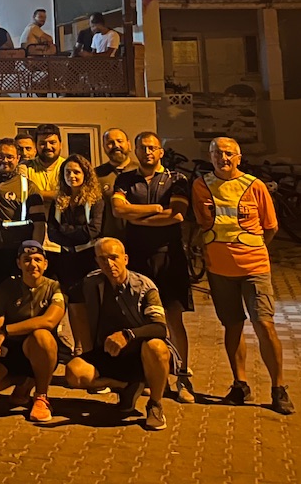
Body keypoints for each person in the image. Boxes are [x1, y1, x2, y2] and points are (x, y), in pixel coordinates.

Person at [191, 136, 294, 414]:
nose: (222, 158)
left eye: (228, 153)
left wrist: (251, 249)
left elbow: (270, 228)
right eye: (217, 153)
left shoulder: (255, 186)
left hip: (254, 269)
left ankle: (278, 388)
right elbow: (201, 224)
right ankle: (240, 384)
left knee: (264, 325)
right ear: (210, 156)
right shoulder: (200, 186)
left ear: (239, 157)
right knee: (232, 326)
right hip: (218, 271)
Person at [111, 131, 194, 403]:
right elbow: (118, 210)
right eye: (142, 148)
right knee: (142, 320)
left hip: (169, 259)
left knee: (173, 318)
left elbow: (177, 214)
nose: (147, 152)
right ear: (135, 151)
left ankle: (183, 377)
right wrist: (156, 209)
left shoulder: (177, 179)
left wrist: (137, 217)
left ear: (160, 152)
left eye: (152, 148)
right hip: (137, 259)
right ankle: (151, 376)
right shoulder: (125, 179)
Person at [64, 237, 174, 430]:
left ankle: (155, 405)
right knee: (74, 373)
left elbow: (160, 328)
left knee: (157, 347)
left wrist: (128, 335)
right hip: (108, 352)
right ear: (96, 261)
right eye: (102, 258)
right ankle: (127, 386)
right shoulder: (91, 282)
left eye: (114, 257)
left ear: (125, 259)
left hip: (140, 354)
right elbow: (72, 299)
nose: (109, 263)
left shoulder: (144, 287)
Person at [0, 240, 65, 422]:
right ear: (19, 263)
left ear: (45, 264)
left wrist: (7, 331)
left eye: (38, 260)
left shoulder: (53, 287)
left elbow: (49, 321)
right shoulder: (6, 288)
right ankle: (24, 384)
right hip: (11, 352)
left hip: (39, 351)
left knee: (42, 336)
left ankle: (41, 397)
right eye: (27, 260)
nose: (33, 265)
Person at [46, 154, 105, 355]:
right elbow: (52, 232)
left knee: (92, 306)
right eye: (68, 172)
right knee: (74, 304)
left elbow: (92, 231)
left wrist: (66, 231)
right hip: (66, 260)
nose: (72, 176)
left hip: (89, 259)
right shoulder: (59, 201)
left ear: (85, 174)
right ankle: (79, 346)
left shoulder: (95, 200)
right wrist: (70, 234)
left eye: (76, 172)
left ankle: (95, 349)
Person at [0, 138, 47, 296]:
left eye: (10, 157)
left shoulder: (29, 187)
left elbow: (39, 224)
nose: (5, 160)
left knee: (21, 297)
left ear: (18, 158)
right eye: (1, 156)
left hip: (19, 252)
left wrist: (33, 253)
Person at [95, 127, 136, 238]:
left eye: (119, 141)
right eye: (110, 143)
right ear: (104, 147)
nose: (116, 145)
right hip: (109, 240)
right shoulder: (96, 175)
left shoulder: (141, 172)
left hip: (140, 238)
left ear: (129, 145)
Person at [23, 124, 65, 202]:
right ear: (36, 146)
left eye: (52, 142)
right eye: (42, 143)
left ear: (60, 145)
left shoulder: (68, 167)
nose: (48, 147)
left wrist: (35, 194)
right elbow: (22, 194)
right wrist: (56, 195)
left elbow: (71, 195)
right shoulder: (26, 167)